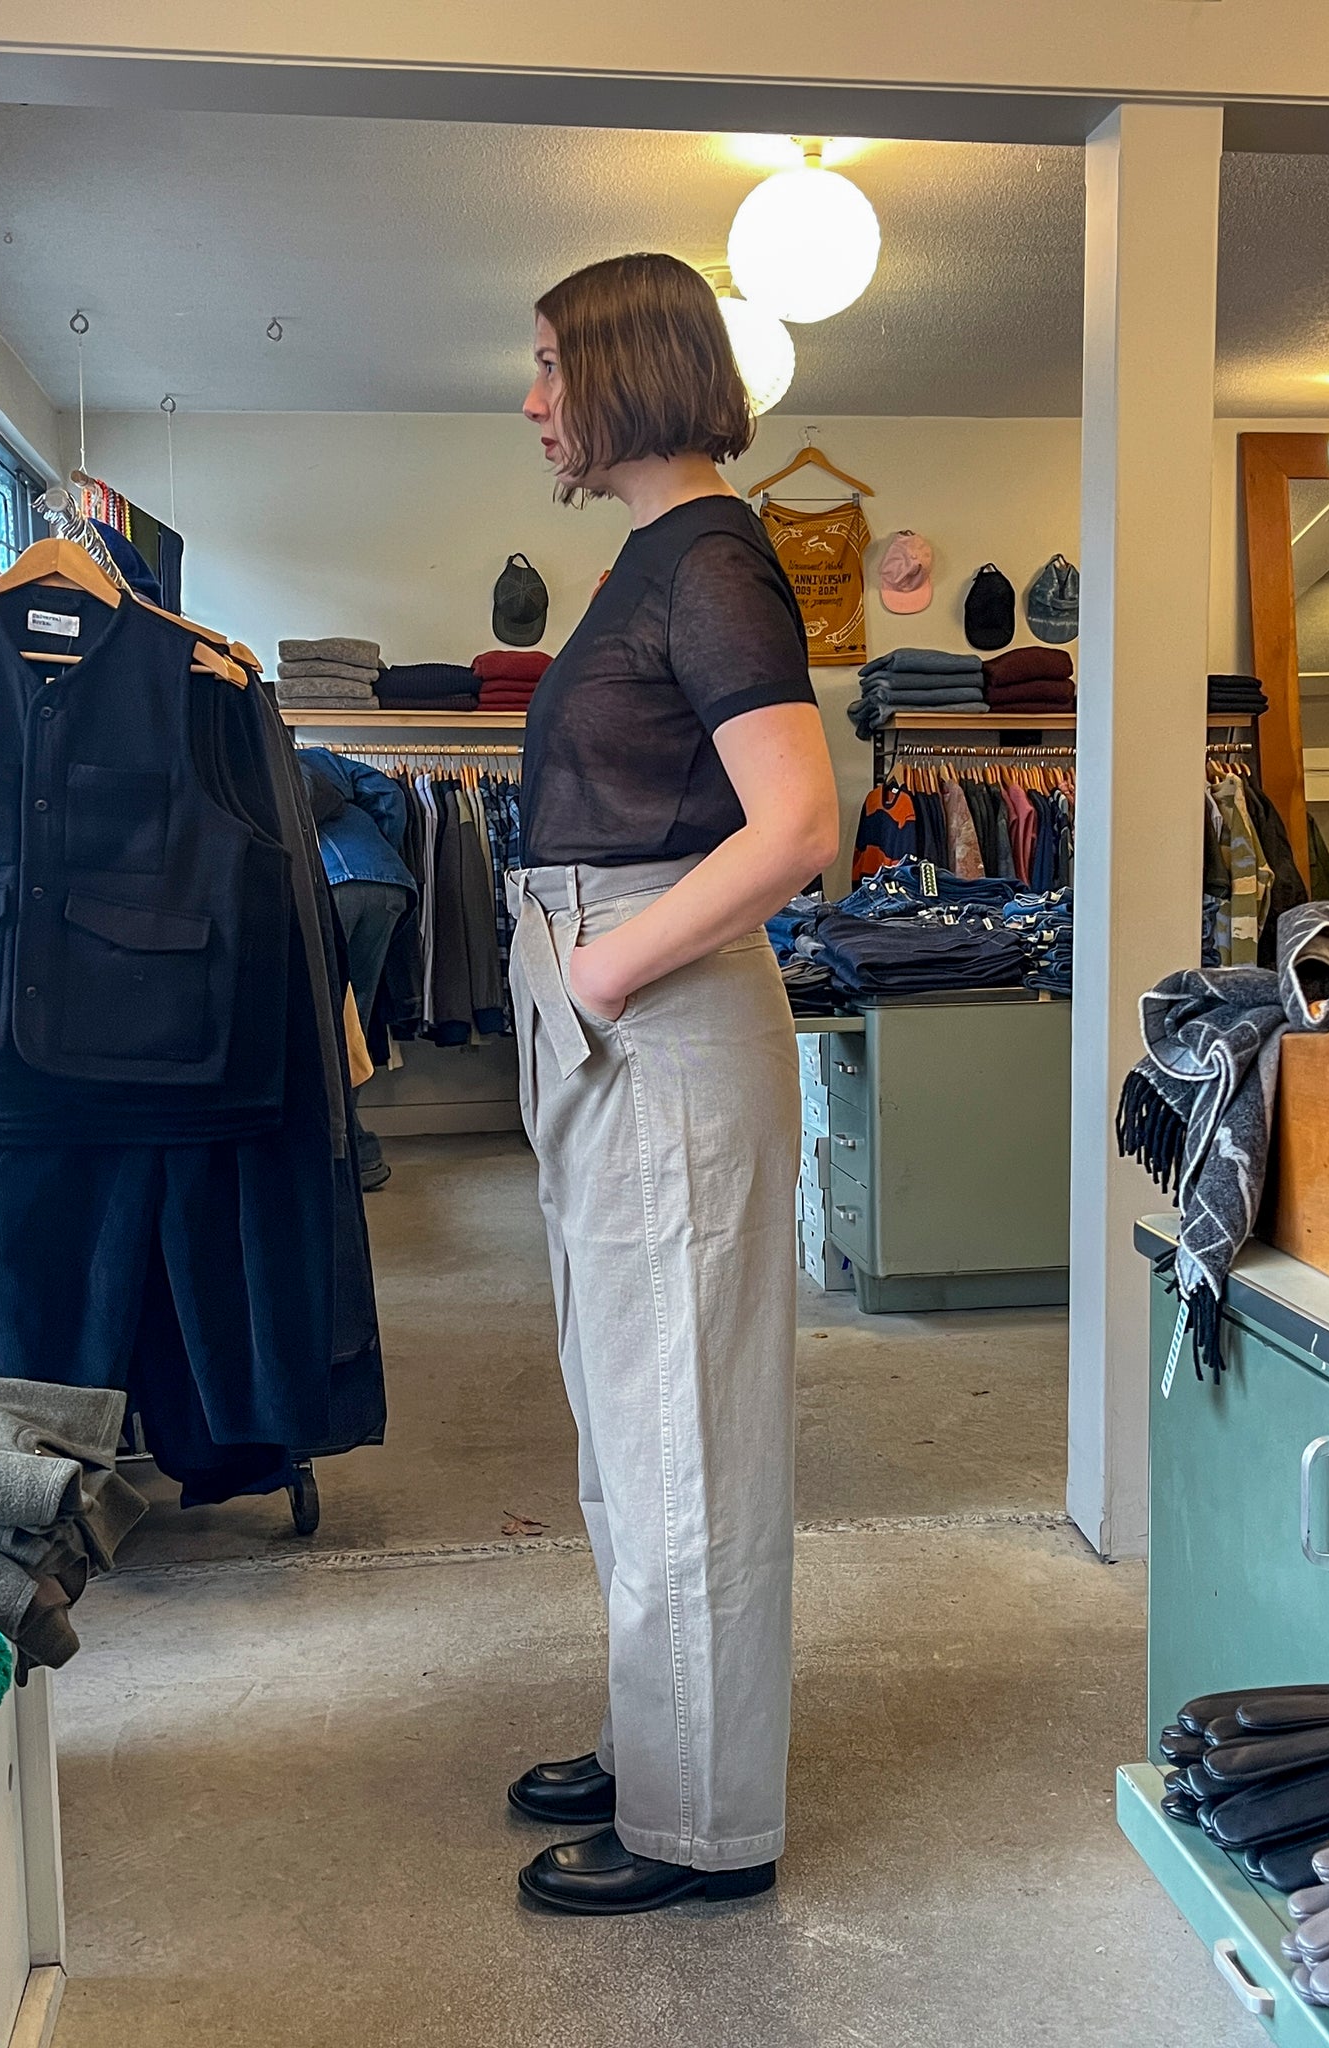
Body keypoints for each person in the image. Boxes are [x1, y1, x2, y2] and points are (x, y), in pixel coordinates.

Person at [505, 252, 840, 1916]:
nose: (532, 401)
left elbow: (801, 825)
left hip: (654, 1012)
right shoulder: (656, 556)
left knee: (683, 1433)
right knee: (628, 1419)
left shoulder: (710, 562)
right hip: (618, 1008)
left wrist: (602, 970)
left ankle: (705, 1824)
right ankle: (659, 1736)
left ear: (626, 371)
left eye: (551, 365)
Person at [297, 747, 417, 1192]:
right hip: (389, 883)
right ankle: (355, 1151)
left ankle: (343, 1151)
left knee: (320, 1025)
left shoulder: (264, 764)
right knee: (353, 1024)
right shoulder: (322, 759)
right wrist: (381, 847)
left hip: (330, 885)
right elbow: (389, 794)